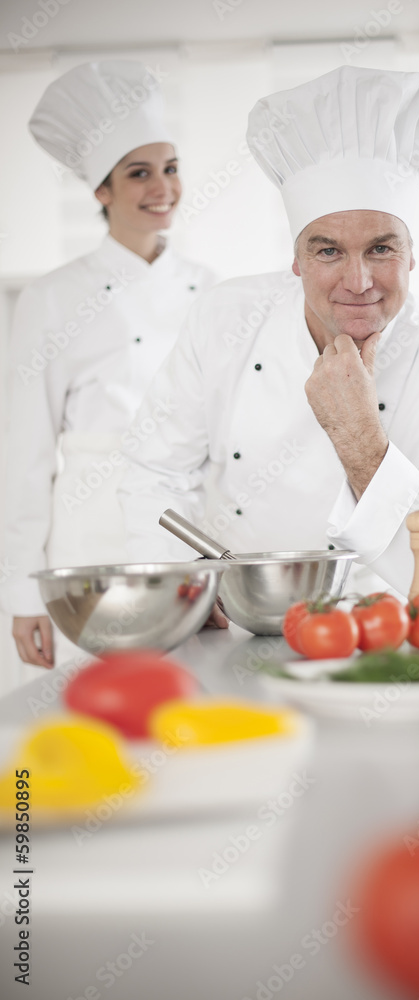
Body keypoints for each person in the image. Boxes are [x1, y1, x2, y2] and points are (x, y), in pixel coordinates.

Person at [119, 65, 419, 609]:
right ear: (295, 261)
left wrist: (363, 441)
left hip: (379, 639)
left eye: (381, 249)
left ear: (413, 254)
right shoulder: (226, 319)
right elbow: (153, 470)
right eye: (328, 252)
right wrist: (181, 590)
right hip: (234, 619)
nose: (358, 281)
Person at [2, 60, 219, 667]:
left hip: (191, 527)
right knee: (97, 709)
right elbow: (27, 453)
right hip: (90, 530)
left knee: (196, 701)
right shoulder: (52, 298)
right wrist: (23, 592)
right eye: (139, 173)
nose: (163, 188)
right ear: (102, 191)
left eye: (171, 169)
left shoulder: (210, 289)